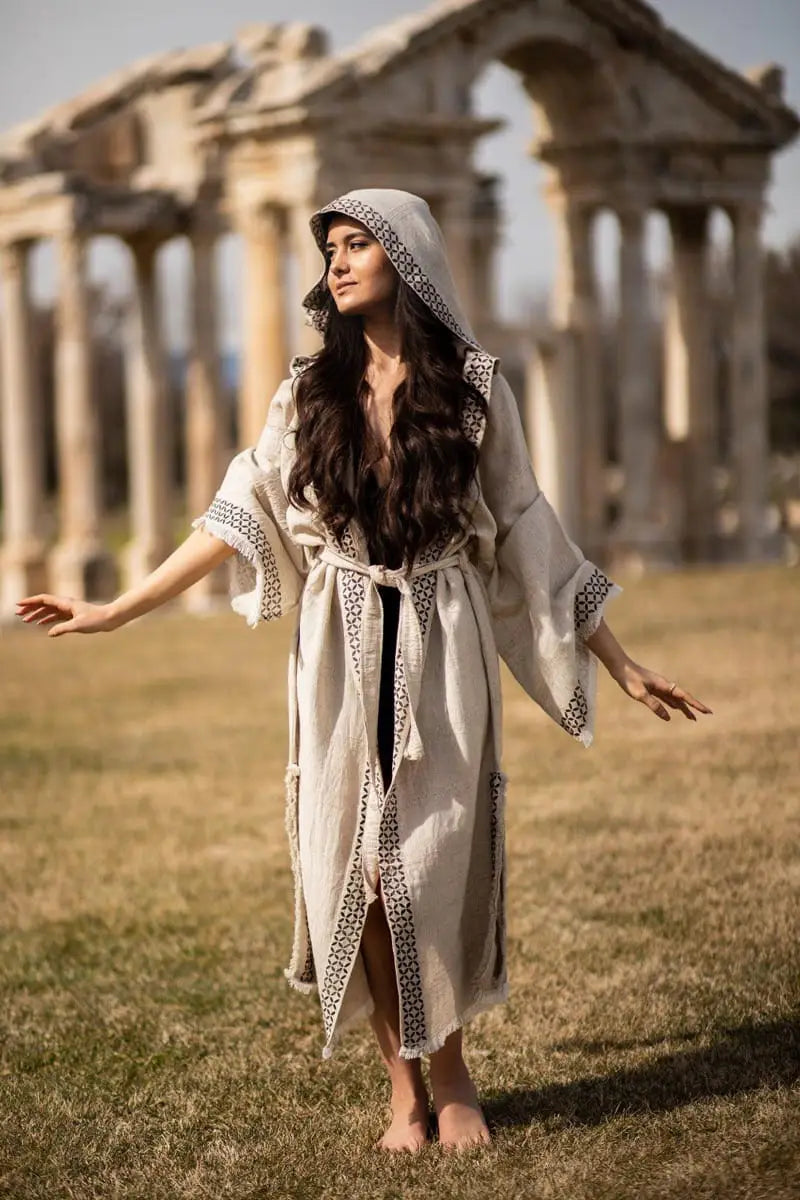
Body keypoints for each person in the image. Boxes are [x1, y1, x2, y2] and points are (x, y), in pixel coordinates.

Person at [15, 188, 712, 1154]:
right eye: (330, 249)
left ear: (409, 261)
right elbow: (236, 515)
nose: (337, 264)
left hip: (442, 644)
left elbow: (526, 528)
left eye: (357, 247)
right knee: (357, 872)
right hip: (338, 648)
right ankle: (403, 1089)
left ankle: (455, 1069)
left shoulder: (473, 389)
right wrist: (116, 610)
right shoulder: (306, 391)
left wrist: (622, 664)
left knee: (428, 861)